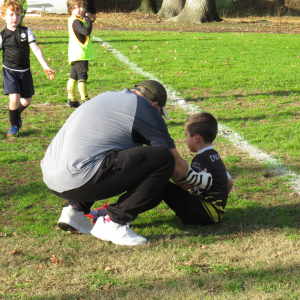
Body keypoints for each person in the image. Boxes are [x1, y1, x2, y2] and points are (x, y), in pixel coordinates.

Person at [41, 80, 213, 246]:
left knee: (110, 151)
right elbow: (175, 167)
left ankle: (75, 211)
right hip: (79, 178)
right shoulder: (146, 110)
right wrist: (201, 180)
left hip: (52, 176)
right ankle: (115, 221)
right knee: (163, 159)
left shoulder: (108, 96)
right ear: (154, 105)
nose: (158, 116)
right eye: (160, 112)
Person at [157, 112, 233, 225]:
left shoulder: (201, 159)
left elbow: (187, 186)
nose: (185, 140)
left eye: (186, 135)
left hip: (203, 213)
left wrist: (172, 172)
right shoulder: (214, 155)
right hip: (215, 214)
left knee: (162, 185)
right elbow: (229, 182)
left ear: (196, 137)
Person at [0, 0, 55, 136]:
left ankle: (15, 115)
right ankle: (14, 126)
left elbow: (36, 49)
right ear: (3, 16)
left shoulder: (26, 31)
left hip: (25, 72)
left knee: (26, 101)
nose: (15, 18)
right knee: (14, 99)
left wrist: (45, 66)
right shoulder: (2, 35)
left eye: (17, 15)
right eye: (11, 15)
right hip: (9, 71)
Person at [66, 0, 95, 108]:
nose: (81, 9)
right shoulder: (76, 21)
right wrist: (89, 22)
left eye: (83, 7)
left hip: (75, 54)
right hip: (80, 54)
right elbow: (86, 32)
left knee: (73, 76)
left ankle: (71, 99)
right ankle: (85, 99)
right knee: (82, 77)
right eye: (78, 7)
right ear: (71, 9)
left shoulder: (73, 20)